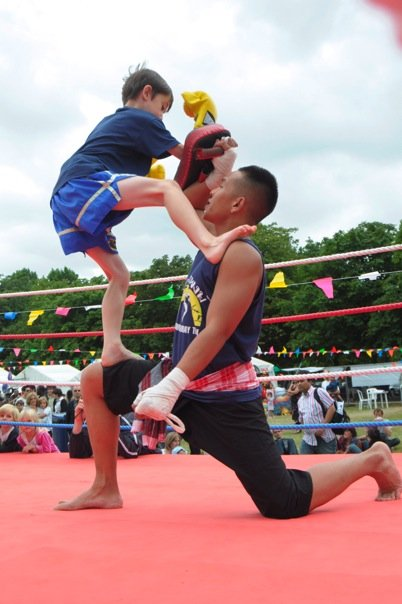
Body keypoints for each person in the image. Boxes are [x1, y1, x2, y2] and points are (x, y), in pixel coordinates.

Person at [55, 165, 401, 516]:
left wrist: (169, 387)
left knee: (284, 500)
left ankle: (373, 458)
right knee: (96, 378)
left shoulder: (241, 255)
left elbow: (217, 331)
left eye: (221, 188)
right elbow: (182, 195)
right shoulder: (209, 240)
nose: (212, 192)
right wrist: (217, 160)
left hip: (221, 397)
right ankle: (105, 486)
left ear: (237, 204)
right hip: (182, 379)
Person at [50, 64, 255, 367]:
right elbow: (189, 154)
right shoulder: (138, 118)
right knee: (167, 189)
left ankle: (111, 347)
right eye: (163, 107)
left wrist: (212, 162)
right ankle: (209, 243)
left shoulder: (120, 126)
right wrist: (218, 145)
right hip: (83, 183)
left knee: (120, 275)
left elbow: (183, 185)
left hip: (67, 198)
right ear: (147, 93)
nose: (161, 117)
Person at [295, 379, 338, 454]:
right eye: (297, 382)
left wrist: (322, 427)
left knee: (327, 461)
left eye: (301, 381)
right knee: (303, 461)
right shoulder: (300, 400)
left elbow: (332, 408)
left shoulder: (319, 392)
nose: (299, 384)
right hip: (308, 439)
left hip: (325, 438)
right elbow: (301, 419)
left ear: (310, 381)